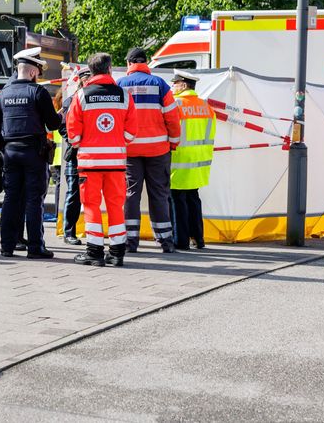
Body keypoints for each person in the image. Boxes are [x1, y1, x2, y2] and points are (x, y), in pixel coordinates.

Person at [0, 47, 61, 259]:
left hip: (10, 153)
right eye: (38, 72)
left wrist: (6, 148)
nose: (38, 76)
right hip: (34, 154)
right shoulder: (38, 93)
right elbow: (53, 123)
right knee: (33, 200)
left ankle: (7, 246)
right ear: (32, 72)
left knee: (10, 198)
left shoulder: (2, 94)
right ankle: (35, 247)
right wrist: (60, 114)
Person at [68, 52, 137, 267]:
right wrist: (115, 142)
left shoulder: (81, 96)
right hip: (116, 163)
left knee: (91, 206)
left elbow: (73, 136)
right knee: (116, 205)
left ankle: (94, 253)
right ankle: (117, 253)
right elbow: (131, 132)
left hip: (90, 164)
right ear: (109, 69)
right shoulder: (124, 95)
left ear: (91, 70)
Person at [117, 47, 181, 253]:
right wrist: (173, 142)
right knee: (159, 195)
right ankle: (165, 242)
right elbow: (172, 117)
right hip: (158, 150)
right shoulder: (160, 85)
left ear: (129, 63)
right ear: (145, 63)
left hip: (130, 151)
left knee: (130, 195)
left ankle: (130, 242)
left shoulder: (120, 85)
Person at [169, 70, 215, 250]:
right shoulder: (206, 105)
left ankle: (181, 241)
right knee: (193, 199)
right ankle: (198, 239)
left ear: (183, 85)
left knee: (177, 200)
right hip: (200, 161)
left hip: (180, 160)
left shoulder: (176, 104)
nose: (173, 87)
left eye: (175, 83)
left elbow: (171, 131)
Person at [57, 64, 90, 245]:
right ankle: (69, 232)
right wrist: (72, 139)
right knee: (73, 193)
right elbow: (62, 126)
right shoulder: (70, 101)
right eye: (86, 79)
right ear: (80, 81)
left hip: (93, 153)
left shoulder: (96, 99)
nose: (89, 82)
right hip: (76, 152)